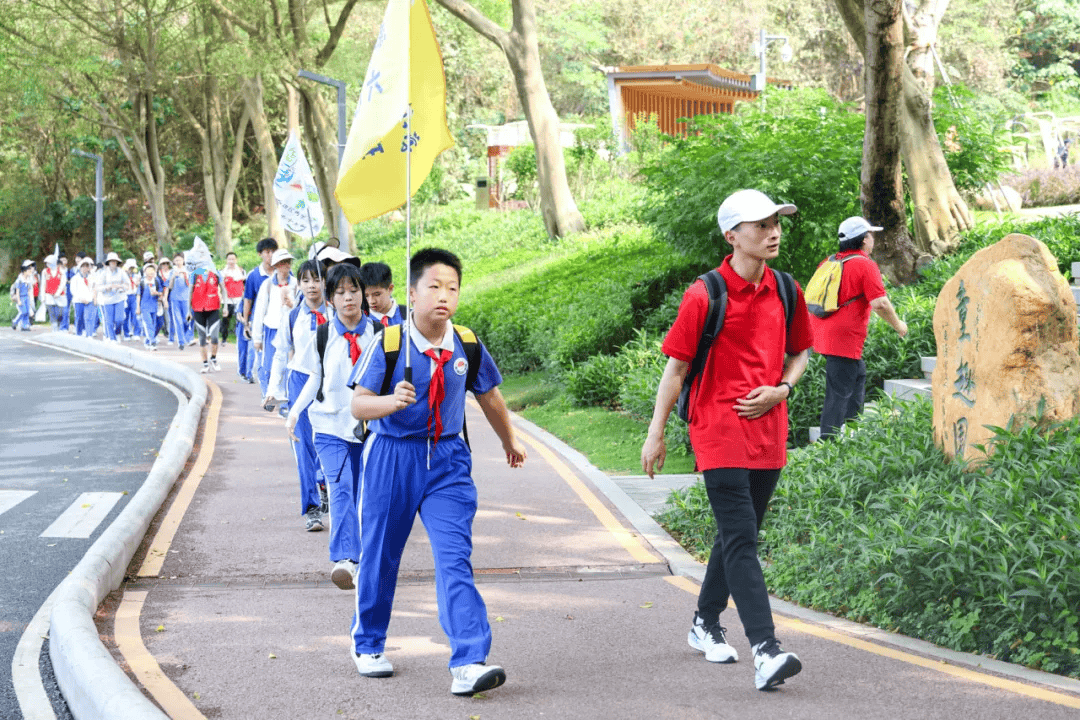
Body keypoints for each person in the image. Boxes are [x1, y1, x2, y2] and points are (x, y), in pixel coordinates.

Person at [640, 189, 812, 691]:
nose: (773, 231)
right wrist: (656, 435)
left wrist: (781, 388)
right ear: (732, 236)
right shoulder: (705, 294)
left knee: (737, 534)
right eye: (760, 225)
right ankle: (767, 649)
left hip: (769, 431)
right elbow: (676, 370)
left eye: (776, 222)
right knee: (742, 538)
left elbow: (800, 353)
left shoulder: (786, 290)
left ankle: (704, 622)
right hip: (717, 430)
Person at [348, 248, 527, 696]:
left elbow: (489, 396)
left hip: (448, 461)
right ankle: (368, 642)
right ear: (411, 293)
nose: (443, 296)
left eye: (452, 287)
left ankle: (469, 661)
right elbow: (358, 403)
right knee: (381, 554)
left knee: (454, 559)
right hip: (393, 456)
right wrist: (392, 402)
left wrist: (510, 440)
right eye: (434, 286)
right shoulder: (390, 343)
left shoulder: (465, 342)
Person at [287, 263, 374, 588]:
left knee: (367, 495)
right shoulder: (321, 336)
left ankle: (368, 557)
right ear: (331, 298)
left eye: (354, 290)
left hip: (370, 430)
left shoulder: (380, 335)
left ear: (363, 293)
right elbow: (314, 378)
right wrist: (294, 413)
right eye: (340, 292)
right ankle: (345, 560)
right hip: (328, 428)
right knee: (340, 490)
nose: (348, 297)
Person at [810, 216, 908, 439]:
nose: (873, 239)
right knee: (838, 391)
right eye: (871, 235)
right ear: (864, 239)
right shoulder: (865, 264)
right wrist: (899, 325)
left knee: (857, 374)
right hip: (843, 339)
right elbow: (879, 303)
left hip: (823, 331)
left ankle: (854, 431)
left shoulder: (829, 262)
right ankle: (828, 442)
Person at [269, 259, 330, 532]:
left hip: (332, 382)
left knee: (333, 438)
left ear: (326, 282)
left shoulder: (336, 312)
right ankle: (312, 508)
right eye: (305, 280)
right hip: (300, 379)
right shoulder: (292, 315)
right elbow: (281, 353)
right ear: (299, 284)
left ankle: (326, 482)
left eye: (316, 279)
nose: (311, 285)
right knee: (303, 443)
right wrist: (274, 388)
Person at [252, 248, 296, 399]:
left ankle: (284, 397)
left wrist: (292, 304)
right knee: (268, 365)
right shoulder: (268, 284)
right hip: (271, 329)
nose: (286, 266)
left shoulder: (296, 284)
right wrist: (257, 337)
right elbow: (260, 311)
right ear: (276, 265)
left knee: (287, 365)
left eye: (288, 262)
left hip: (289, 331)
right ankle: (268, 395)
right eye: (282, 262)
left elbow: (300, 308)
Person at [241, 238, 279, 383]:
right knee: (258, 353)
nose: (270, 255)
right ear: (260, 254)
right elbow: (248, 300)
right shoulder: (254, 275)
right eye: (267, 252)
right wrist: (246, 322)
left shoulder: (284, 272)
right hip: (259, 321)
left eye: (273, 252)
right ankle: (258, 380)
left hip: (278, 321)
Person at [187, 237, 225, 373]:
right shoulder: (194, 274)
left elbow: (223, 288)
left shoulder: (216, 273)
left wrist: (225, 305)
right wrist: (188, 310)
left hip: (213, 306)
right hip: (198, 308)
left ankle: (213, 358)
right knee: (202, 337)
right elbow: (190, 292)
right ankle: (205, 364)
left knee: (214, 337)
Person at [360, 262, 406, 327]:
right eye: (366, 296)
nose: (371, 301)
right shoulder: (360, 322)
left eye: (377, 294)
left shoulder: (410, 317)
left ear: (390, 289)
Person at [98, 253, 129, 343]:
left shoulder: (121, 272)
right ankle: (112, 338)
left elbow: (127, 285)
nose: (113, 263)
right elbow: (98, 287)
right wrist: (106, 288)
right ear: (108, 262)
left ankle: (117, 332)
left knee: (119, 319)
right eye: (111, 261)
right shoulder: (104, 273)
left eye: (115, 261)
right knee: (109, 320)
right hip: (108, 299)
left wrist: (119, 286)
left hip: (119, 298)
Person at [167, 252, 193, 349]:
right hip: (175, 299)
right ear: (174, 261)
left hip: (186, 298)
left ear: (183, 260)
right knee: (177, 320)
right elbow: (169, 286)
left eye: (180, 260)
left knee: (185, 319)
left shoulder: (188, 271)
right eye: (176, 260)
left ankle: (188, 336)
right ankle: (181, 342)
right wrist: (173, 277)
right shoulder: (172, 272)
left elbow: (191, 284)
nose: (178, 262)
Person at [221, 251, 246, 347]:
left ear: (236, 260)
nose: (231, 261)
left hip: (239, 299)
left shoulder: (241, 270)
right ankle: (224, 339)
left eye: (233, 259)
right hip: (227, 300)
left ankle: (239, 338)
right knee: (226, 319)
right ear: (226, 260)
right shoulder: (223, 272)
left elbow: (245, 283)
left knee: (240, 319)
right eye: (229, 259)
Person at [137, 262, 162, 351]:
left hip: (154, 306)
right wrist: (138, 307)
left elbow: (161, 293)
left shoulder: (156, 281)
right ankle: (152, 341)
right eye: (148, 273)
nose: (150, 275)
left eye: (152, 273)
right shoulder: (142, 282)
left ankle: (147, 341)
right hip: (144, 307)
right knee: (148, 324)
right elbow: (138, 295)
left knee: (153, 324)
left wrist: (157, 293)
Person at [41, 255, 68, 331]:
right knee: (51, 311)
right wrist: (43, 296)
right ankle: (54, 326)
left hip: (59, 295)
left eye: (49, 263)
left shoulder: (61, 271)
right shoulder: (45, 271)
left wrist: (58, 293)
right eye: (47, 263)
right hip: (49, 294)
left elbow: (63, 283)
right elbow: (43, 284)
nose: (48, 265)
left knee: (60, 312)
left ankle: (59, 324)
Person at [70, 257, 95, 337]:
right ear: (80, 267)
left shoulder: (91, 278)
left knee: (88, 317)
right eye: (83, 266)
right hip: (79, 301)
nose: (85, 268)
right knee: (79, 317)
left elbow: (93, 288)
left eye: (87, 266)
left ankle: (88, 333)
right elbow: (73, 290)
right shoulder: (75, 278)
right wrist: (81, 298)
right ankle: (79, 333)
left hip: (89, 300)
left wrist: (91, 298)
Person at [10, 261, 35, 331]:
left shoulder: (28, 280)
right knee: (23, 311)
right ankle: (15, 321)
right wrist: (18, 300)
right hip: (21, 297)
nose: (30, 271)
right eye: (28, 270)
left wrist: (30, 299)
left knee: (27, 312)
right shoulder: (19, 280)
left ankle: (25, 326)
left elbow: (29, 290)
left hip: (26, 297)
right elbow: (17, 291)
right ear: (24, 271)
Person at [123, 258, 141, 341]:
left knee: (135, 314)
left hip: (133, 296)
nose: (131, 269)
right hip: (125, 296)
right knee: (125, 316)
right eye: (130, 267)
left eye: (132, 267)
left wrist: (137, 284)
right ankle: (126, 333)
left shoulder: (137, 275)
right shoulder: (123, 275)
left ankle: (136, 333)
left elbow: (139, 286)